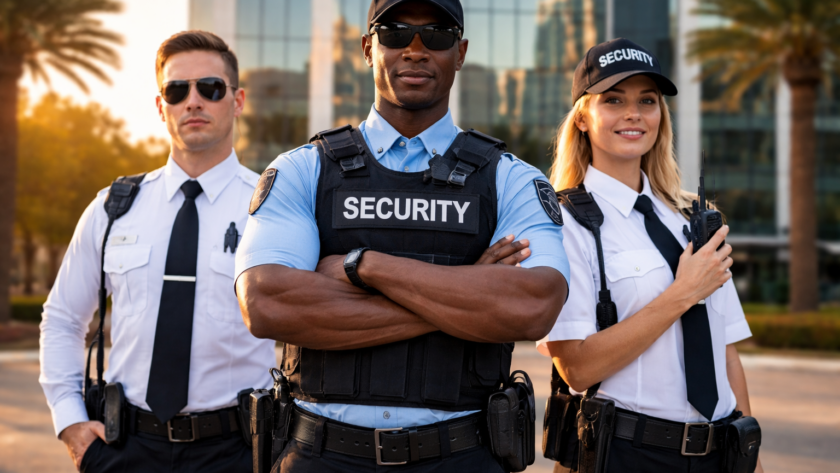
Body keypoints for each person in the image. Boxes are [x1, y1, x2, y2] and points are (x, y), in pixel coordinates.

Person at [235, 0, 570, 471]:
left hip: (461, 455)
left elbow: (534, 305)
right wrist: (467, 288)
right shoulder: (303, 169)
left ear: (460, 52)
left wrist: (364, 266)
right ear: (369, 48)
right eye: (395, 33)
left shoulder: (509, 178)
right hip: (320, 454)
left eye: (435, 34)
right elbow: (267, 303)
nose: (415, 49)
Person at [39, 31, 276, 473]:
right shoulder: (112, 207)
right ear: (160, 105)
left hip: (237, 453)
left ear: (238, 100)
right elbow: (63, 319)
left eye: (210, 88)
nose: (193, 101)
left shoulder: (271, 209)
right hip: (124, 450)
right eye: (176, 90)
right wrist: (71, 424)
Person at [539, 38, 762, 473]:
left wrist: (747, 456)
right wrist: (682, 293)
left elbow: (725, 352)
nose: (633, 114)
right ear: (582, 117)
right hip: (628, 453)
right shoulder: (565, 225)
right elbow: (577, 368)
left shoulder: (694, 219)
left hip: (719, 453)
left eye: (647, 100)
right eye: (613, 100)